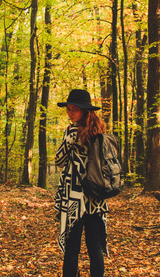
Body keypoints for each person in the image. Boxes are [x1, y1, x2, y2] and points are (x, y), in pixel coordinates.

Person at [54, 89, 109, 277]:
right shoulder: (100, 132)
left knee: (72, 249)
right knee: (95, 248)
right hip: (96, 197)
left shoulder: (71, 131)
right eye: (69, 109)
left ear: (85, 111)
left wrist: (68, 142)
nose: (70, 113)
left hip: (74, 198)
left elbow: (59, 161)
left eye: (75, 109)